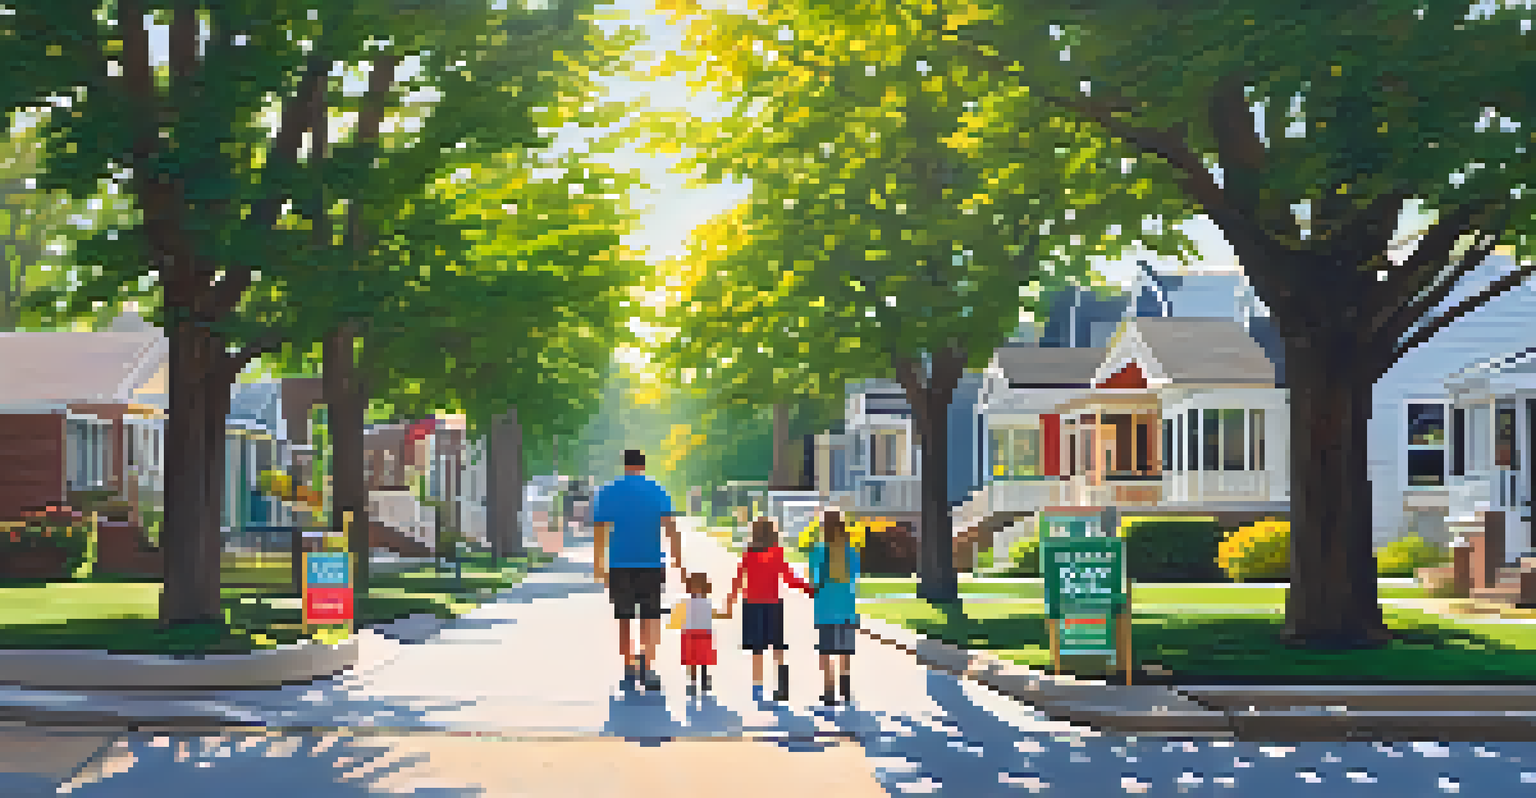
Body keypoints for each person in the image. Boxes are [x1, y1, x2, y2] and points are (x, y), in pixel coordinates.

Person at [592, 449, 685, 692]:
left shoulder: (609, 491)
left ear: (624, 465)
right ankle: (649, 667)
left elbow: (600, 531)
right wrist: (677, 560)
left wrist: (598, 565)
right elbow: (671, 527)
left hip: (620, 564)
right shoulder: (657, 489)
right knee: (650, 616)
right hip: (651, 563)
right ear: (643, 465)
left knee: (624, 618)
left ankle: (629, 665)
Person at [719, 517, 814, 702]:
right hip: (773, 604)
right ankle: (781, 682)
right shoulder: (776, 554)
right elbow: (789, 578)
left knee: (757, 649)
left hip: (752, 604)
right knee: (777, 646)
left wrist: (729, 603)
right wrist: (809, 589)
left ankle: (757, 687)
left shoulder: (749, 555)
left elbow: (738, 580)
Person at [808, 508, 861, 707]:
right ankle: (845, 688)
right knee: (844, 650)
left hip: (826, 606)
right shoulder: (850, 550)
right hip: (846, 605)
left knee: (826, 650)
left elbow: (815, 579)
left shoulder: (819, 550)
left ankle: (829, 690)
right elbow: (855, 575)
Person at [668, 571, 728, 697]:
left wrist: (725, 614)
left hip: (704, 634)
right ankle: (694, 681)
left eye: (699, 585)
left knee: (703, 658)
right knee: (692, 659)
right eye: (694, 585)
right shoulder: (687, 603)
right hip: (690, 634)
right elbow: (678, 616)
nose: (696, 589)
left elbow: (714, 614)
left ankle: (704, 679)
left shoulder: (706, 603)